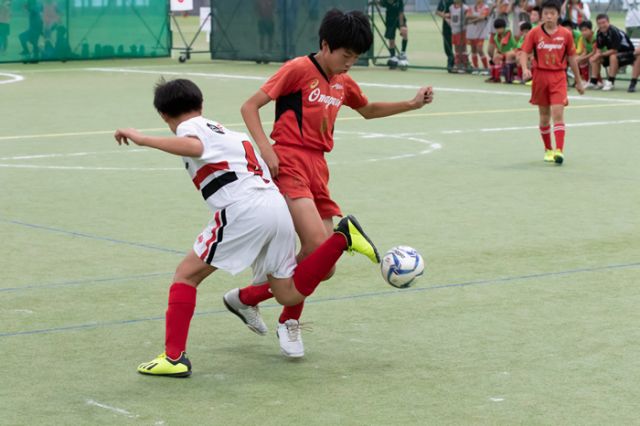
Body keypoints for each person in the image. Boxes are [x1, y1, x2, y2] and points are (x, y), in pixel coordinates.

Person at [113, 78, 380, 377]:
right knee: (288, 293)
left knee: (185, 275)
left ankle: (174, 358)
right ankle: (341, 239)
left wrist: (142, 138)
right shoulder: (228, 132)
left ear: (163, 115)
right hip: (275, 207)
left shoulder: (192, 128)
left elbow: (194, 146)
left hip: (245, 209)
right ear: (201, 104)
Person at [230, 9, 433, 358]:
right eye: (346, 55)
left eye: (356, 56)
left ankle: (245, 298)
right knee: (315, 244)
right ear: (325, 45)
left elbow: (367, 110)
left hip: (319, 169)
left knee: (326, 266)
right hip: (290, 161)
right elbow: (250, 107)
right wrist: (266, 149)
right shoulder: (298, 70)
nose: (350, 62)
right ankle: (289, 323)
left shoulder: (343, 81)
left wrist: (412, 104)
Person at [519, 0, 585, 165]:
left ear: (558, 15)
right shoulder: (534, 33)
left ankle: (559, 151)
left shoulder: (566, 34)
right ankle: (548, 149)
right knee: (544, 117)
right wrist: (525, 68)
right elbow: (524, 52)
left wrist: (578, 81)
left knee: (558, 114)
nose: (549, 16)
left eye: (552, 13)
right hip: (540, 76)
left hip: (558, 77)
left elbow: (572, 59)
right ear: (541, 15)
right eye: (546, 13)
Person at [588, 13, 639, 91]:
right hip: (615, 54)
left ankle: (610, 81)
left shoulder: (613, 31)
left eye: (604, 23)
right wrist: (596, 55)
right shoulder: (599, 33)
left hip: (629, 54)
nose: (602, 25)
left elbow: (614, 50)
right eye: (599, 23)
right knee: (594, 58)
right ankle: (594, 81)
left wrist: (600, 54)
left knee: (613, 56)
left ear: (608, 22)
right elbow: (599, 49)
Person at [380, 0, 409, 69]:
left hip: (400, 18)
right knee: (391, 40)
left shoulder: (399, 1)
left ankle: (403, 53)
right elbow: (381, 4)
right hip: (390, 19)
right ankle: (393, 57)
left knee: (404, 32)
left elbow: (401, 12)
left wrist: (401, 25)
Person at [466, 0, 491, 74]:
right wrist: (477, 18)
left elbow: (483, 17)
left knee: (479, 49)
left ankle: (486, 68)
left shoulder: (485, 7)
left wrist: (473, 20)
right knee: (473, 49)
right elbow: (467, 16)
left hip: (481, 32)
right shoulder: (472, 7)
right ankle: (476, 68)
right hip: (472, 31)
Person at [489, 18, 517, 83]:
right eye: (497, 28)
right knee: (495, 58)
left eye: (500, 28)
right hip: (504, 53)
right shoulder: (495, 37)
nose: (498, 30)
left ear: (504, 27)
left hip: (514, 50)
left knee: (507, 55)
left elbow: (504, 42)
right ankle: (496, 78)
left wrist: (499, 52)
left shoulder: (508, 32)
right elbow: (498, 48)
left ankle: (508, 78)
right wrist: (496, 55)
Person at [446, 0, 470, 73]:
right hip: (454, 31)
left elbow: (467, 19)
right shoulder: (451, 7)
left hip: (462, 31)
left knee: (462, 48)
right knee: (456, 48)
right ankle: (457, 64)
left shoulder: (465, 8)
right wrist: (448, 20)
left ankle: (464, 65)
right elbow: (451, 17)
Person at [436, 0, 455, 71]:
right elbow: (437, 12)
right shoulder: (443, 1)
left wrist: (452, 15)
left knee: (460, 45)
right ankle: (450, 61)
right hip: (446, 25)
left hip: (458, 25)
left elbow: (465, 10)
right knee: (447, 44)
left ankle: (461, 62)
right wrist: (445, 16)